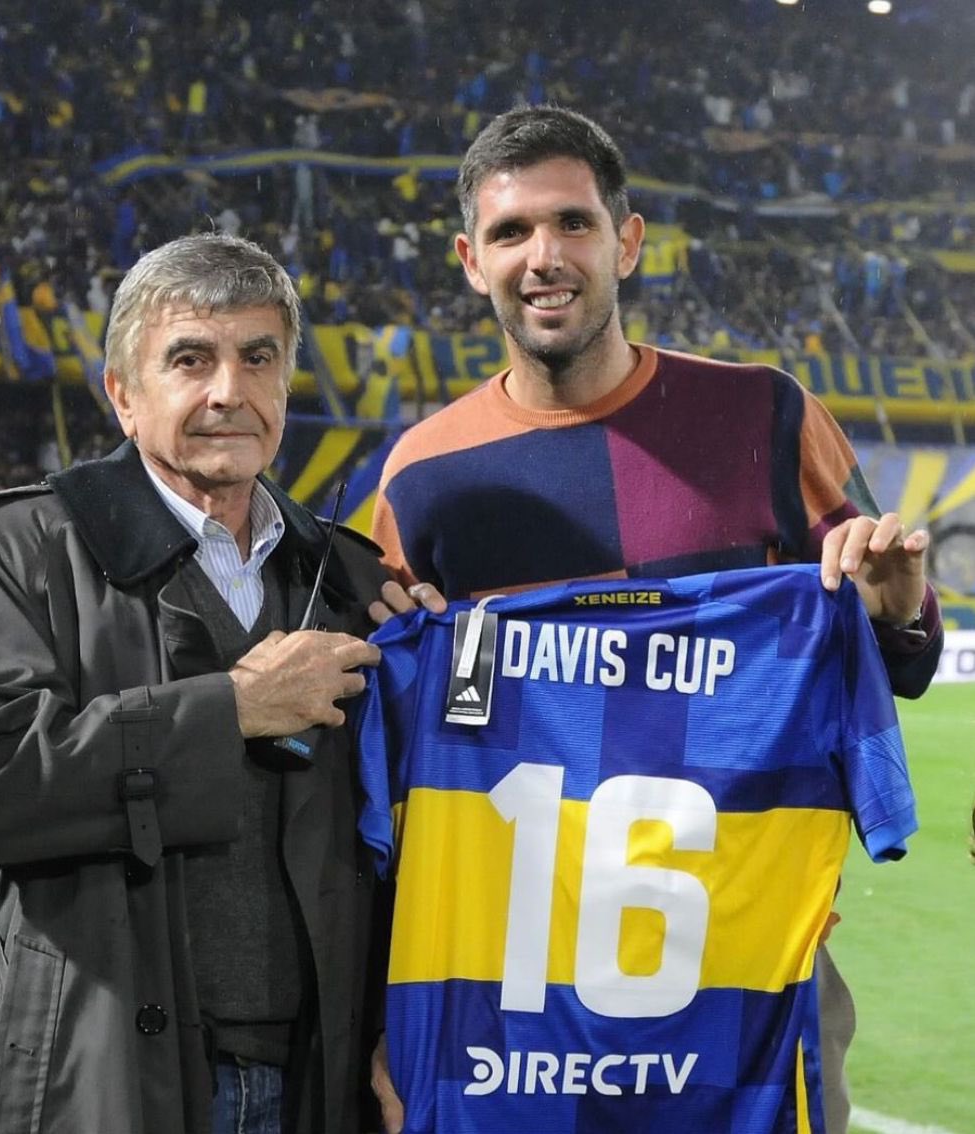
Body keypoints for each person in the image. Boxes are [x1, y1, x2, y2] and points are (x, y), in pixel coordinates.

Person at [368, 105, 942, 1134]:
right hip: (510, 999)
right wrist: (390, 1012)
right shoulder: (423, 480)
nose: (542, 258)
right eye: (509, 234)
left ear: (624, 240)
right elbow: (402, 759)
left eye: (571, 223)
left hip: (748, 967)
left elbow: (887, 648)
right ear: (468, 259)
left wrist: (898, 611)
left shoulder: (761, 417)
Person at [0, 232, 391, 1134]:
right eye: (189, 359)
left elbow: (405, 841)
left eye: (258, 358)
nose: (227, 392)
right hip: (106, 1079)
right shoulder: (14, 549)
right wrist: (230, 710)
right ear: (123, 396)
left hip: (317, 1086)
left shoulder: (357, 581)